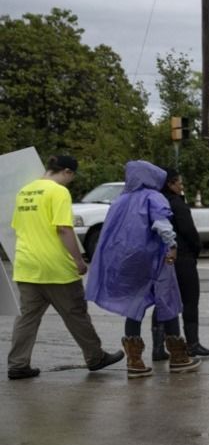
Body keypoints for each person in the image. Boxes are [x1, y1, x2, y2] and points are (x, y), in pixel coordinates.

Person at [7, 155, 124, 380]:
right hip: (56, 267)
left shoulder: (24, 192)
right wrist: (79, 260)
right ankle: (95, 357)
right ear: (67, 172)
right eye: (71, 177)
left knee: (27, 318)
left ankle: (18, 364)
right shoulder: (58, 192)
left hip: (26, 265)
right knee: (76, 314)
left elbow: (16, 227)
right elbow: (63, 229)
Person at [86, 161, 201, 378]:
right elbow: (162, 225)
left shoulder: (119, 200)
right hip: (154, 258)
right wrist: (173, 246)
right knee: (168, 301)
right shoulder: (153, 197)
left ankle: (135, 362)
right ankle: (178, 357)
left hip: (128, 261)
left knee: (133, 305)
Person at [154, 168, 209, 360]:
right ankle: (192, 344)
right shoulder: (177, 205)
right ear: (170, 184)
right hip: (183, 257)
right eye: (178, 182)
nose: (182, 185)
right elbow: (188, 230)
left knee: (163, 301)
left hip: (162, 258)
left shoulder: (156, 203)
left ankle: (158, 347)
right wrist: (197, 247)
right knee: (190, 299)